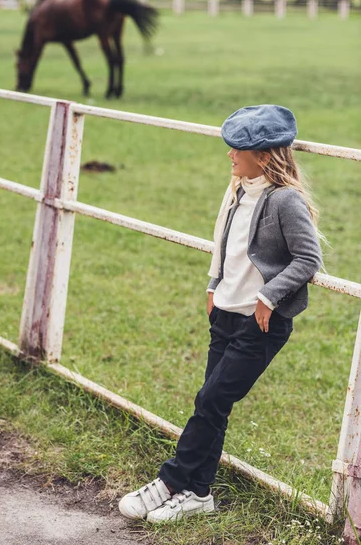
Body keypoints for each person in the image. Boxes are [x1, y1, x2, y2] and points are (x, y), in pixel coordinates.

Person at [118, 104, 324, 523]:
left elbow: (309, 258)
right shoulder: (237, 190)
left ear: (264, 155)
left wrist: (269, 296)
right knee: (213, 405)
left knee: (211, 399)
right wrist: (213, 285)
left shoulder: (285, 200)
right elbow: (225, 245)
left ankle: (170, 481)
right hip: (226, 313)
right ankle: (199, 494)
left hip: (260, 323)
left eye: (237, 149)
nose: (229, 155)